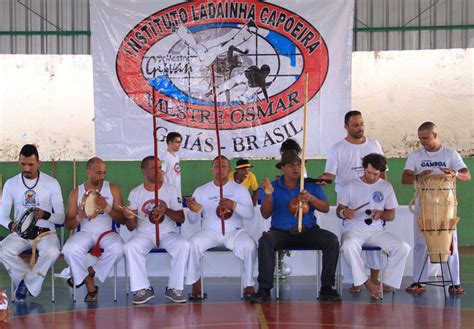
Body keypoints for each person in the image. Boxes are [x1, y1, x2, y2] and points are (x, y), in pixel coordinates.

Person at [250, 150, 341, 303]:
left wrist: (311, 198)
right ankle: (264, 289)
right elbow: (265, 214)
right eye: (291, 165)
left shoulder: (310, 186)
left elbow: (325, 208)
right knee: (266, 240)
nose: (296, 168)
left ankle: (327, 287)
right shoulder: (273, 187)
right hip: (281, 233)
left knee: (331, 240)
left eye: (299, 164)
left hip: (308, 231)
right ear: (283, 168)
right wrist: (268, 195)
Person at [318, 110, 385, 293]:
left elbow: (382, 171)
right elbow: (330, 174)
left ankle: (374, 279)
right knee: (349, 242)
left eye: (362, 124)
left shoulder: (374, 144)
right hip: (348, 203)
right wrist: (316, 181)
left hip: (373, 200)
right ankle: (356, 281)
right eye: (355, 125)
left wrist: (384, 193)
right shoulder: (337, 148)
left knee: (375, 239)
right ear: (346, 127)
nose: (359, 128)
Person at [402, 122, 471, 295]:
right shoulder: (416, 156)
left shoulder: (450, 153)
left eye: (425, 138)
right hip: (423, 205)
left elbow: (466, 175)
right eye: (419, 138)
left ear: (435, 135)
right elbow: (405, 178)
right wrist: (418, 176)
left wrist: (453, 173)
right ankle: (418, 281)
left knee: (450, 243)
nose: (422, 141)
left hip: (446, 206)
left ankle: (454, 283)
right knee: (420, 243)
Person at [337, 153, 410, 299]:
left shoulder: (386, 187)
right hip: (353, 230)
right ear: (364, 169)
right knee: (349, 246)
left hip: (376, 231)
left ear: (381, 172)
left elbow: (391, 215)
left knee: (403, 247)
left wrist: (381, 214)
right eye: (369, 173)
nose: (372, 177)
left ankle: (385, 282)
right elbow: (339, 211)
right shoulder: (350, 185)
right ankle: (366, 282)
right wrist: (345, 213)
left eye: (376, 174)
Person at [186, 156, 256, 300]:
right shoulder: (201, 190)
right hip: (209, 232)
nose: (220, 169)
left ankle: (248, 284)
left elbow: (250, 214)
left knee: (250, 245)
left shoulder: (240, 190)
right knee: (192, 244)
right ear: (211, 170)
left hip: (234, 232)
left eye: (224, 166)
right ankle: (195, 283)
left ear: (229, 170)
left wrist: (234, 205)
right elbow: (192, 220)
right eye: (216, 166)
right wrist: (193, 210)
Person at [0, 144, 64, 303]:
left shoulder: (52, 183)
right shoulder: (11, 183)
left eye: (31, 164)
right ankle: (27, 282)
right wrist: (10, 225)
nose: (26, 168)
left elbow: (61, 218)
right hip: (20, 233)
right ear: (18, 162)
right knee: (3, 250)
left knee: (52, 251)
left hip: (45, 233)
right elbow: (2, 216)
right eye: (23, 164)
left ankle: (24, 285)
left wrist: (45, 214)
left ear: (39, 163)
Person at [123, 156, 189, 304]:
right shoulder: (135, 193)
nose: (158, 171)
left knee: (184, 245)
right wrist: (128, 217)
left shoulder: (171, 190)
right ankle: (143, 289)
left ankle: (174, 288)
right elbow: (131, 227)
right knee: (130, 246)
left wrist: (166, 210)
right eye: (153, 168)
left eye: (160, 167)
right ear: (144, 171)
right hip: (144, 234)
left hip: (168, 233)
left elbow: (181, 218)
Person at [62, 157, 126, 302]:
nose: (102, 177)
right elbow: (68, 224)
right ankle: (91, 285)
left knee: (119, 249)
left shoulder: (112, 189)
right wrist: (80, 216)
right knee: (68, 250)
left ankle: (90, 272)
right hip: (85, 232)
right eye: (98, 173)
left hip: (107, 232)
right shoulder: (76, 192)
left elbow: (122, 219)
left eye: (104, 173)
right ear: (88, 172)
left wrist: (107, 207)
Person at [162, 132, 182, 199]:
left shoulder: (176, 156)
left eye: (180, 142)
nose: (179, 144)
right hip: (169, 194)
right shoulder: (164, 158)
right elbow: (161, 175)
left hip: (177, 191)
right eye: (177, 142)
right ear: (170, 142)